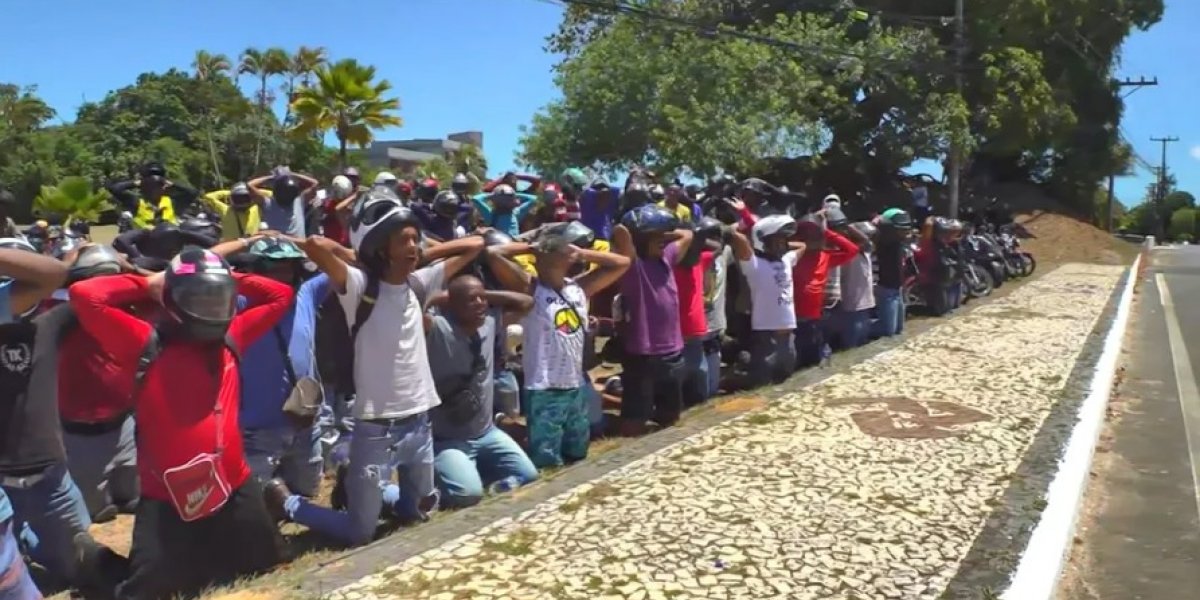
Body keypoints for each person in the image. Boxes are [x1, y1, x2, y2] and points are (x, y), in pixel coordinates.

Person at [69, 246, 292, 599]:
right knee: (147, 593)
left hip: (234, 484)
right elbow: (85, 295)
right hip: (166, 496)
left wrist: (223, 276)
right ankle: (94, 560)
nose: (210, 308)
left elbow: (280, 294)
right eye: (199, 298)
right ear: (173, 300)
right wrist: (150, 283)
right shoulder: (143, 341)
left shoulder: (233, 334)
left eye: (217, 298)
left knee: (266, 563)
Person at [269, 189, 484, 547]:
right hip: (376, 429)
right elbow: (313, 245)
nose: (415, 246)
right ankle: (287, 502)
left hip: (419, 423)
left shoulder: (420, 283)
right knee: (360, 533)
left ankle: (361, 489)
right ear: (382, 246)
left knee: (419, 514)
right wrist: (364, 254)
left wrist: (418, 248)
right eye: (405, 241)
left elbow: (475, 244)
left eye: (417, 239)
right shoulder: (359, 286)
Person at [0, 237, 114, 594]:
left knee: (77, 564)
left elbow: (66, 279)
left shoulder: (50, 323)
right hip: (3, 483)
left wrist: (101, 261)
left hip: (50, 478)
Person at [485, 230, 630, 467]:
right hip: (544, 388)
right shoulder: (531, 288)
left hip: (575, 384)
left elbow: (622, 262)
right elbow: (492, 253)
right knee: (547, 461)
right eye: (559, 251)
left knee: (578, 453)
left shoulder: (580, 287)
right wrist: (532, 248)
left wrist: (581, 252)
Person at [424, 275, 538, 507]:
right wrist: (439, 297)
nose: (479, 304)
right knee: (468, 496)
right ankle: (437, 481)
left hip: (486, 433)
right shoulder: (437, 327)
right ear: (452, 305)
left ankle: (470, 471)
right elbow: (412, 310)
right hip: (447, 439)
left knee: (528, 475)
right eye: (470, 300)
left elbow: (527, 302)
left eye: (482, 298)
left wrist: (485, 294)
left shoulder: (490, 322)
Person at [233, 238, 329, 498]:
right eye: (273, 268)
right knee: (257, 498)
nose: (282, 275)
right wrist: (246, 242)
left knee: (308, 491)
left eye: (288, 267)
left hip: (304, 420)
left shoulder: (306, 295)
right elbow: (196, 272)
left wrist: (299, 241)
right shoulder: (239, 303)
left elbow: (345, 264)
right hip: (258, 428)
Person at [56, 245, 144, 523]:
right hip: (81, 433)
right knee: (97, 512)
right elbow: (37, 288)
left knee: (134, 499)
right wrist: (64, 266)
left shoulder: (128, 309)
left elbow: (166, 284)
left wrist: (130, 269)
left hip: (125, 425)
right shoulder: (60, 315)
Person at [612, 204, 693, 436]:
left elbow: (687, 234)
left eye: (663, 237)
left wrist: (663, 232)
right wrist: (638, 226)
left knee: (670, 416)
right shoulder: (632, 265)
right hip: (643, 354)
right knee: (635, 419)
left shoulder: (666, 258)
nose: (662, 241)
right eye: (655, 237)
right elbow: (620, 233)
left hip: (673, 351)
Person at [729, 216, 806, 386]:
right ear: (763, 242)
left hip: (788, 338)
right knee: (763, 385)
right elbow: (739, 239)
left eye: (783, 240)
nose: (782, 244)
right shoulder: (754, 265)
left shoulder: (786, 260)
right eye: (776, 241)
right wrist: (746, 230)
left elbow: (802, 246)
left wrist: (783, 244)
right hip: (766, 338)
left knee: (786, 385)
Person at [792, 212, 858, 368]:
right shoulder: (793, 257)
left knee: (815, 352)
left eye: (816, 237)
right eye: (807, 237)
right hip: (794, 315)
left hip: (814, 315)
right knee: (798, 355)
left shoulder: (826, 256)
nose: (812, 241)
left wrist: (826, 230)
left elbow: (852, 249)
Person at [105, 162, 198, 230]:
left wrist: (172, 184)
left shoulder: (172, 202)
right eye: (150, 186)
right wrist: (136, 182)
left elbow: (193, 192)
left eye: (158, 186)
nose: (154, 189)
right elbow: (114, 189)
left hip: (170, 245)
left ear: (164, 188)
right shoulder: (136, 202)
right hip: (142, 246)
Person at [835, 221, 877, 348]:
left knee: (863, 340)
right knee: (851, 343)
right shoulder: (848, 253)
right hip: (852, 304)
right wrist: (848, 227)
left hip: (866, 303)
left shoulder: (867, 252)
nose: (868, 240)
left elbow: (869, 244)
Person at [873, 208, 913, 338]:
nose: (904, 232)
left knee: (899, 329)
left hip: (897, 288)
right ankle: (861, 327)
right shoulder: (884, 243)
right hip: (886, 288)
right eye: (900, 229)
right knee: (888, 330)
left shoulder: (899, 242)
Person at [249, 167, 320, 238]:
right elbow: (249, 185)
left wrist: (291, 175)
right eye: (283, 192)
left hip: (298, 246)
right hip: (278, 246)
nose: (286, 194)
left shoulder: (299, 201)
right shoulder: (268, 203)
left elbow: (315, 183)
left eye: (289, 192)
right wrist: (273, 177)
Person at [472, 184, 539, 237]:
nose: (505, 202)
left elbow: (535, 198)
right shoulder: (492, 215)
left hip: (513, 246)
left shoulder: (515, 213)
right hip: (498, 245)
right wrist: (513, 194)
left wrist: (493, 195)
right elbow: (475, 199)